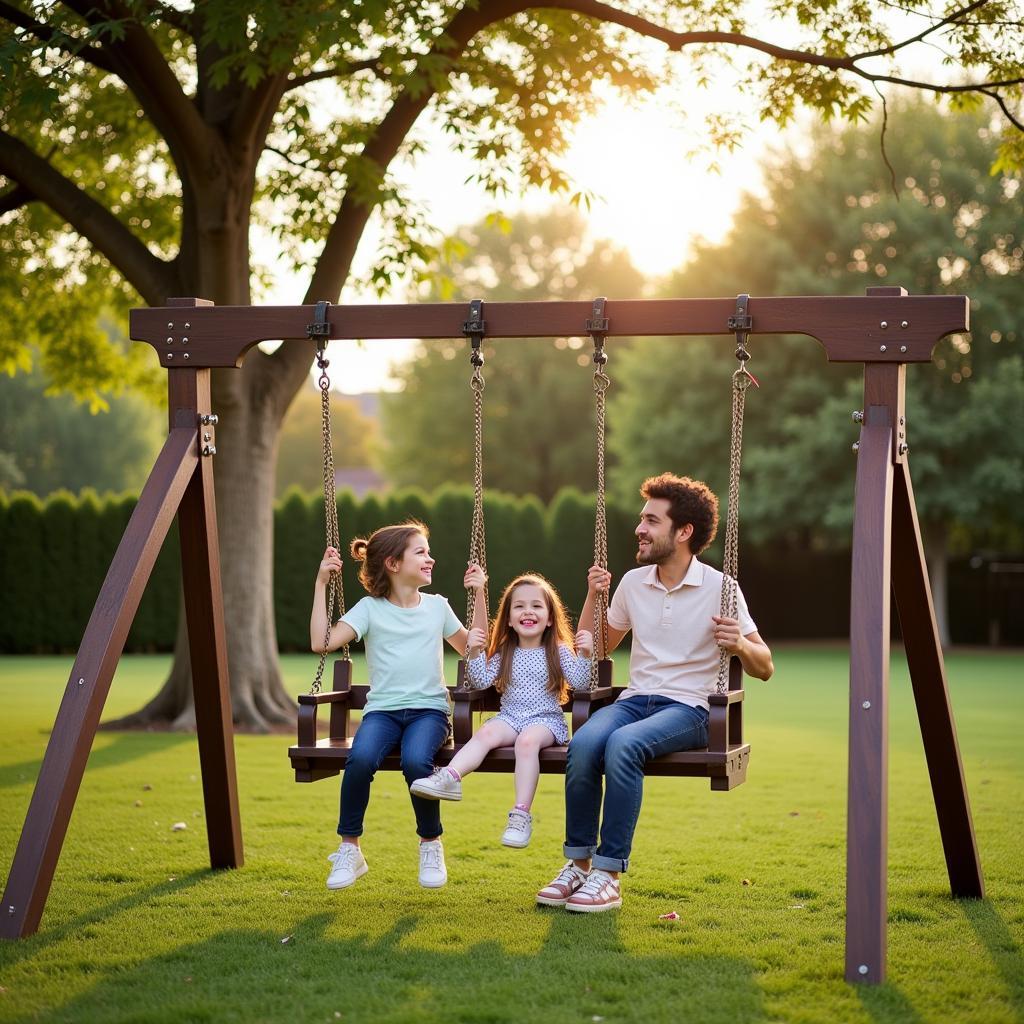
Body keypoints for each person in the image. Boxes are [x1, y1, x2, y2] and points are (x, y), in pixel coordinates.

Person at [536, 473, 774, 913]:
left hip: (692, 708)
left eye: (651, 521)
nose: (639, 529)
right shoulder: (633, 582)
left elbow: (765, 667)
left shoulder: (721, 589)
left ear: (683, 532)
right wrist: (592, 595)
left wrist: (739, 643)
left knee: (624, 746)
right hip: (635, 700)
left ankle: (607, 875)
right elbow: (594, 648)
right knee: (585, 743)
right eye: (642, 519)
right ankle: (577, 866)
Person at [310, 520, 482, 891]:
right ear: (393, 563)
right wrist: (322, 583)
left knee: (417, 762)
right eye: (421, 552)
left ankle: (430, 843)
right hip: (383, 713)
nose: (430, 559)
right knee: (359, 760)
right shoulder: (369, 610)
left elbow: (473, 647)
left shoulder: (437, 607)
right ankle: (349, 849)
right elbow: (321, 642)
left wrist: (480, 594)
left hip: (429, 712)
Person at [410, 572, 593, 848]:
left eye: (536, 606)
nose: (527, 611)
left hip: (545, 721)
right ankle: (450, 777)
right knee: (485, 733)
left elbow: (580, 682)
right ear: (508, 618)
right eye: (519, 606)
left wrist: (587, 655)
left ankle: (520, 815)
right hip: (510, 717)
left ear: (550, 617)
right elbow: (480, 679)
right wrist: (473, 651)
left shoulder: (559, 650)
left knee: (527, 742)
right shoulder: (505, 650)